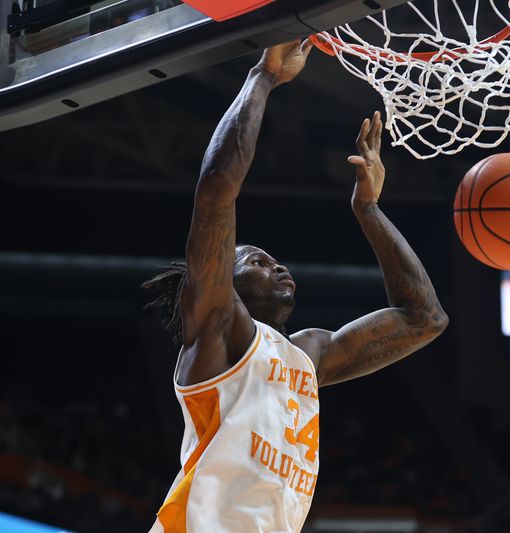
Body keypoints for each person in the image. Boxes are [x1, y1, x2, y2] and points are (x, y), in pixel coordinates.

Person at [141, 39, 448, 532]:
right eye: (259, 261)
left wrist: (369, 211)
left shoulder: (307, 357)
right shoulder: (218, 329)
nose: (277, 267)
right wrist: (262, 77)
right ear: (227, 281)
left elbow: (424, 318)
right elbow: (217, 188)